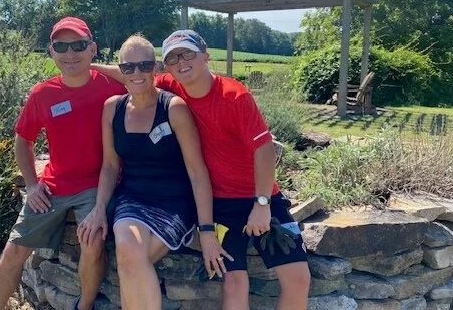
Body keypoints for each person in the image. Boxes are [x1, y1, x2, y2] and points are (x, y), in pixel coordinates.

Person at [91, 30, 311, 310]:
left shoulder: (234, 96)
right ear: (166, 67)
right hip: (221, 202)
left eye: (188, 54)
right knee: (234, 282)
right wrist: (89, 65)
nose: (182, 62)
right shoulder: (173, 84)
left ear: (206, 56)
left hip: (262, 195)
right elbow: (134, 72)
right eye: (174, 57)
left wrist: (262, 202)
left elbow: (264, 149)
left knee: (298, 278)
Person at [77, 34, 230, 310]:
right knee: (128, 247)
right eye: (128, 68)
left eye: (144, 66)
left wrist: (207, 231)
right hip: (132, 199)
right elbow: (110, 166)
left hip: (174, 202)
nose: (137, 73)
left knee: (130, 261)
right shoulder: (112, 108)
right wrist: (99, 208)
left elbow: (197, 172)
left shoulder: (173, 108)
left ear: (156, 68)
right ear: (120, 70)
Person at [0, 16, 127, 310]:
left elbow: (146, 76)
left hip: (96, 184)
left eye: (79, 45)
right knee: (14, 250)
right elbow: (23, 141)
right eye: (61, 46)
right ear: (51, 51)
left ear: (93, 48)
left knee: (92, 242)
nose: (70, 53)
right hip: (53, 185)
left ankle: (83, 306)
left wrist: (93, 67)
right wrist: (33, 184)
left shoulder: (111, 88)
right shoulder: (43, 94)